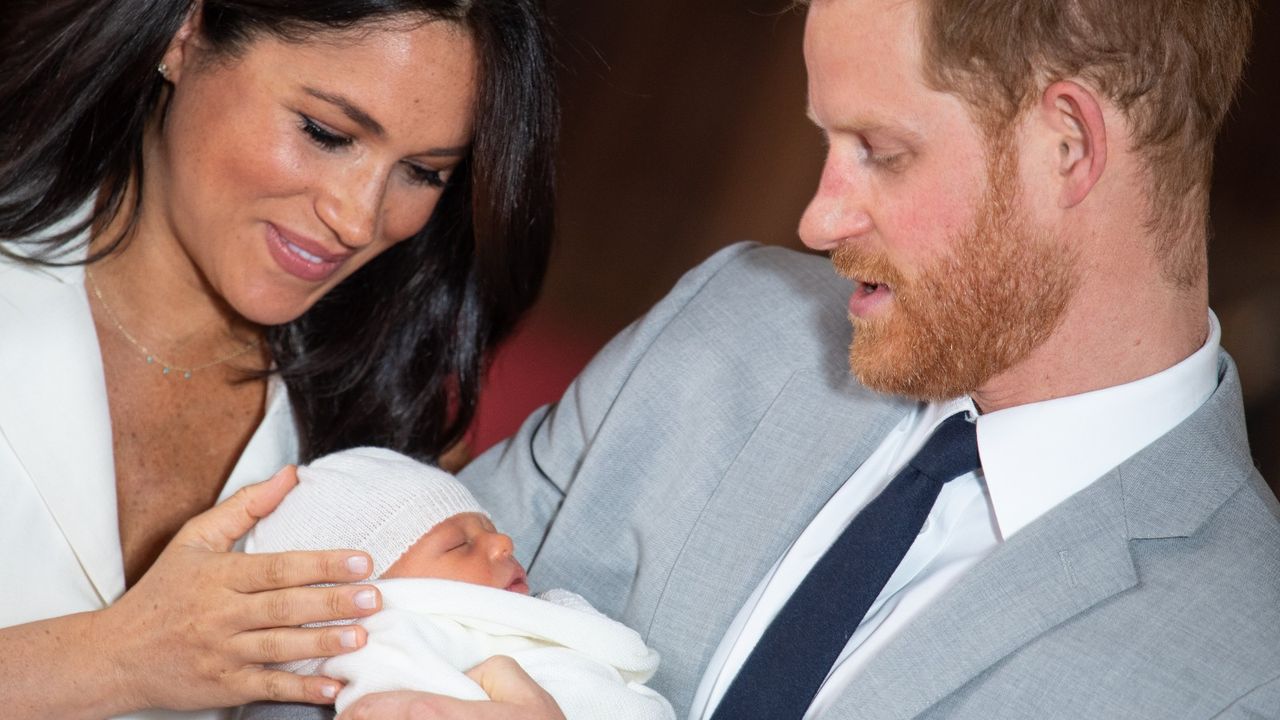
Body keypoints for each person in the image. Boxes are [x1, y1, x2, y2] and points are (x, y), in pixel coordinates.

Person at [357, 0, 1280, 717]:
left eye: (881, 151)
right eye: (827, 141)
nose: (817, 221)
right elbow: (337, 629)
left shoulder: (1249, 671)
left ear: (1068, 146)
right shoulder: (724, 322)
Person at [0, 0, 557, 718]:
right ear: (185, 34)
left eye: (422, 171)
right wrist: (115, 657)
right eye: (327, 133)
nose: (358, 219)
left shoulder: (380, 435)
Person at [238, 447, 675, 720]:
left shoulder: (537, 620)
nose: (503, 542)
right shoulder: (389, 642)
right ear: (361, 601)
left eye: (490, 527)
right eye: (459, 544)